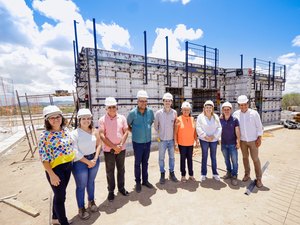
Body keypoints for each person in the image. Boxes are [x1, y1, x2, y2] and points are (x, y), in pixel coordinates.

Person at [38, 105, 75, 225]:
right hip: (55, 169)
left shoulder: (65, 130)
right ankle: (63, 222)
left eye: (57, 116)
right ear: (47, 120)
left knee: (60, 194)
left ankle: (55, 218)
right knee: (60, 197)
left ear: (61, 117)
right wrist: (52, 175)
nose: (55, 119)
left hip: (68, 166)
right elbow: (44, 158)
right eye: (51, 117)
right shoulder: (44, 136)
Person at [71, 108, 101, 220]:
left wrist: (95, 158)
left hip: (94, 159)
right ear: (79, 120)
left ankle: (91, 202)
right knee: (81, 186)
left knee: (91, 182)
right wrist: (88, 162)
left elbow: (98, 145)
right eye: (83, 118)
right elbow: (74, 151)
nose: (86, 120)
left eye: (88, 118)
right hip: (80, 162)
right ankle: (81, 208)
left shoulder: (94, 131)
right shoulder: (74, 134)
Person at [99, 97, 129, 202]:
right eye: (110, 107)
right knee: (110, 171)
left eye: (114, 107)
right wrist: (114, 147)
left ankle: (121, 188)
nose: (112, 109)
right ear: (106, 108)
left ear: (117, 107)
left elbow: (126, 131)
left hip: (121, 149)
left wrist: (120, 145)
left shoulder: (122, 118)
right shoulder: (102, 120)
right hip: (109, 150)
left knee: (121, 169)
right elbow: (102, 136)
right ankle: (111, 191)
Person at [233, 95, 264, 188]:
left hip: (253, 141)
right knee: (245, 158)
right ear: (238, 105)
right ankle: (247, 174)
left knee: (255, 159)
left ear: (248, 104)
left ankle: (259, 178)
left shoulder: (254, 113)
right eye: (241, 105)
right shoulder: (236, 114)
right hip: (242, 141)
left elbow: (259, 126)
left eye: (245, 104)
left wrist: (259, 138)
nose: (243, 107)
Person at [127, 90, 155, 193]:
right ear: (137, 101)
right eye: (141, 101)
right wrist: (134, 132)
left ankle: (145, 181)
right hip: (137, 143)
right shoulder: (132, 113)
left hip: (147, 142)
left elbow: (151, 122)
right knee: (137, 163)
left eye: (145, 101)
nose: (143, 103)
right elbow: (128, 125)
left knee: (145, 162)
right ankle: (138, 182)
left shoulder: (150, 112)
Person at [154, 92, 178, 184]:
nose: (167, 102)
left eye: (169, 101)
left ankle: (171, 173)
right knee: (161, 158)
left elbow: (175, 126)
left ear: (171, 102)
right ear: (163, 102)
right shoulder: (158, 113)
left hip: (171, 140)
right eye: (166, 101)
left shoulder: (174, 113)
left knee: (172, 157)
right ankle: (162, 173)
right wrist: (160, 135)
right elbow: (156, 126)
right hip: (162, 140)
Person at [196, 100, 222, 182]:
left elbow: (219, 127)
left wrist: (214, 136)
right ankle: (203, 174)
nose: (208, 109)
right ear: (204, 108)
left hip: (213, 140)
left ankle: (215, 173)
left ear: (212, 108)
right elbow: (198, 127)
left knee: (213, 157)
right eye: (207, 108)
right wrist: (205, 136)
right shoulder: (200, 117)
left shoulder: (216, 117)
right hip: (204, 140)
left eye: (210, 108)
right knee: (204, 156)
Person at [174, 101, 199, 182]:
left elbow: (194, 131)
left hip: (190, 143)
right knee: (182, 159)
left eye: (187, 110)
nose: (186, 111)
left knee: (190, 159)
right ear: (181, 110)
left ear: (190, 110)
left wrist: (196, 140)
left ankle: (191, 175)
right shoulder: (178, 119)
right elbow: (175, 133)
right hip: (182, 144)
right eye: (184, 110)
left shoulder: (192, 119)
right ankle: (183, 175)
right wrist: (176, 143)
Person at [220, 101, 241, 186]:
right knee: (226, 160)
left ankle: (234, 175)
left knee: (234, 161)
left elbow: (237, 131)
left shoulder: (235, 120)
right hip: (224, 144)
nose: (226, 111)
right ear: (222, 110)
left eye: (228, 109)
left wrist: (238, 141)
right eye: (224, 109)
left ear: (231, 110)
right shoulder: (220, 119)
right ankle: (229, 172)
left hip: (232, 144)